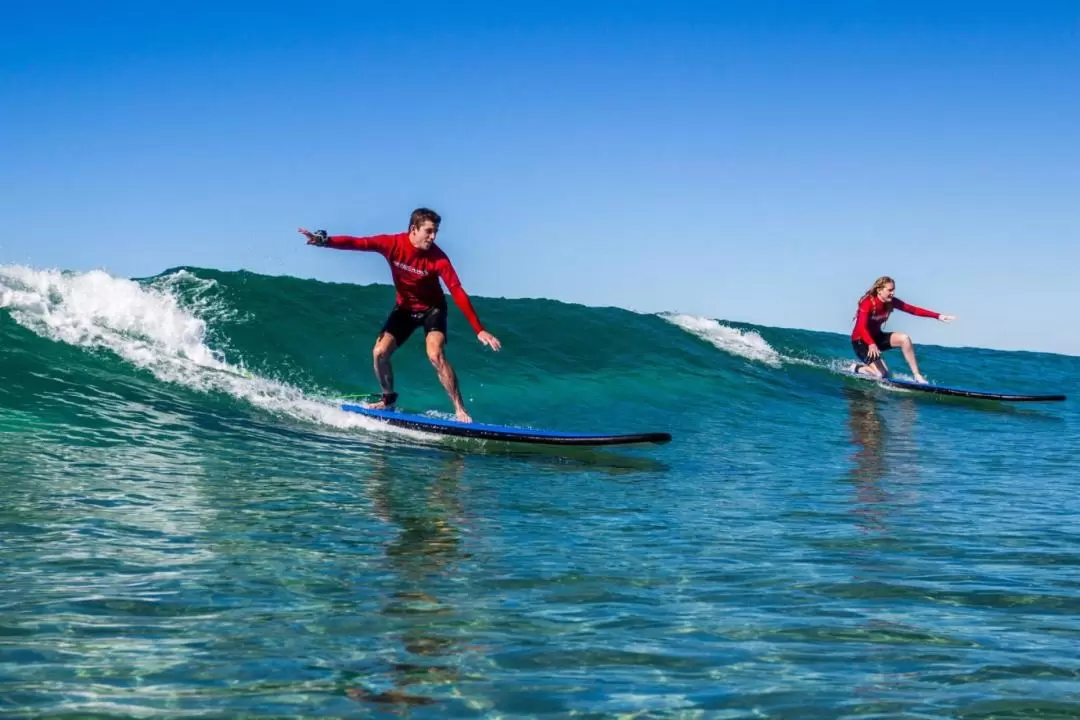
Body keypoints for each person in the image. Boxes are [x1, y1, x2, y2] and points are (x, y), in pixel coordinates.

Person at [299, 208, 501, 422]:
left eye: (436, 232)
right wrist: (324, 241)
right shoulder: (392, 244)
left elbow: (457, 290)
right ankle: (388, 399)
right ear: (413, 229)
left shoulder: (438, 258)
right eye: (429, 231)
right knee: (379, 352)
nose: (433, 237)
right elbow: (359, 243)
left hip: (433, 309)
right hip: (405, 309)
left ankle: (460, 409)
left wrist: (478, 329)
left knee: (435, 355)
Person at [850, 276, 956, 384]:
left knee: (904, 339)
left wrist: (938, 316)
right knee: (881, 375)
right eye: (890, 290)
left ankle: (917, 375)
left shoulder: (891, 302)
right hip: (861, 341)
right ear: (879, 290)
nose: (893, 293)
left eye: (894, 290)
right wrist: (871, 344)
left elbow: (913, 310)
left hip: (876, 337)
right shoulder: (867, 303)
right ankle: (857, 368)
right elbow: (861, 327)